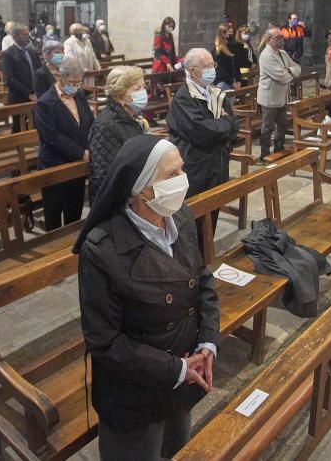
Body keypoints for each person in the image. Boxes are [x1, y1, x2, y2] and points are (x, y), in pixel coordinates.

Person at [74, 135, 219, 460]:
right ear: (142, 189)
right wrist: (176, 369)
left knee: (175, 448)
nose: (183, 180)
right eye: (172, 174)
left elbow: (203, 280)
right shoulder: (102, 249)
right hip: (135, 389)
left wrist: (207, 343)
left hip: (184, 369)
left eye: (181, 169)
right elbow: (105, 341)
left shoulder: (180, 215)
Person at [166, 48, 239, 231]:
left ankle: (206, 256)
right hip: (196, 169)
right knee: (194, 223)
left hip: (218, 165)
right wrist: (224, 122)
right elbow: (201, 132)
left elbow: (234, 127)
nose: (212, 70)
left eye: (212, 65)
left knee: (212, 216)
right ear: (192, 71)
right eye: (206, 66)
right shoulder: (183, 98)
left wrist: (223, 126)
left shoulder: (215, 93)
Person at [34, 57, 94, 229]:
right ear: (59, 77)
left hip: (77, 166)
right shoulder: (45, 103)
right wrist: (81, 153)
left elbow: (89, 122)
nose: (76, 86)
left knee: (74, 212)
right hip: (55, 166)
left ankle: (71, 248)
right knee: (54, 216)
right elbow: (51, 137)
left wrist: (91, 145)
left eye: (79, 82)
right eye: (72, 82)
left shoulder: (79, 95)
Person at [88, 66, 149, 203]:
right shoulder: (105, 126)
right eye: (136, 89)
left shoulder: (132, 116)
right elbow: (106, 175)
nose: (143, 92)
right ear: (120, 93)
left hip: (136, 194)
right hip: (115, 203)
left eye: (143, 87)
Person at [257, 27, 301, 162]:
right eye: (278, 38)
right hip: (269, 99)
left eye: (281, 37)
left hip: (281, 98)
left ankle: (279, 150)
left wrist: (288, 70)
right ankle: (264, 154)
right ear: (269, 40)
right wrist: (289, 72)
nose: (281, 39)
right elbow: (280, 76)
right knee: (267, 128)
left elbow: (297, 68)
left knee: (282, 125)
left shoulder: (282, 53)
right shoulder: (266, 56)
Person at [1, 24, 42, 130]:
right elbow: (9, 79)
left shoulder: (32, 52)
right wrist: (28, 93)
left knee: (36, 126)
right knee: (18, 128)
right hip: (19, 97)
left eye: (27, 34)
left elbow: (39, 71)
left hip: (35, 95)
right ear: (15, 36)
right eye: (24, 34)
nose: (27, 36)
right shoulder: (8, 54)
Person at [211, 22, 240, 91]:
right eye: (229, 32)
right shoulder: (217, 50)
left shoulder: (231, 47)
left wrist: (238, 80)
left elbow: (236, 65)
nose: (231, 34)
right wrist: (232, 82)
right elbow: (220, 70)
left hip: (233, 81)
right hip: (222, 82)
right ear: (222, 34)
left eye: (232, 32)